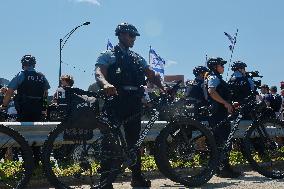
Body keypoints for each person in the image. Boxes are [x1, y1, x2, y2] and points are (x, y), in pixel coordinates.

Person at [95, 22, 164, 189]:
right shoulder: (108, 55)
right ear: (121, 35)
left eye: (135, 36)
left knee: (134, 143)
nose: (134, 39)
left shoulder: (137, 57)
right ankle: (105, 182)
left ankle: (137, 178)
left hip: (134, 103)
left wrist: (163, 87)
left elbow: (151, 74)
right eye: (131, 36)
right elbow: (99, 72)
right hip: (115, 102)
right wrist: (105, 84)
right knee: (109, 142)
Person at [0, 54, 50, 165]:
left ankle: (27, 163)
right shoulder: (42, 77)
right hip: (37, 110)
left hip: (24, 110)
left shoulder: (21, 75)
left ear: (23, 65)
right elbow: (45, 94)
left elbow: (9, 91)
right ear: (34, 64)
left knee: (23, 136)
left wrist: (4, 105)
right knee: (36, 135)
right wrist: (44, 108)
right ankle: (37, 161)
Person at [206, 57, 241, 178]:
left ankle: (220, 168)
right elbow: (212, 91)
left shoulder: (217, 77)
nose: (223, 67)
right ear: (215, 66)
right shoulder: (213, 77)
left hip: (220, 113)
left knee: (221, 142)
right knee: (224, 141)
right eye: (221, 65)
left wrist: (229, 103)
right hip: (217, 114)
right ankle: (224, 169)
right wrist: (225, 103)